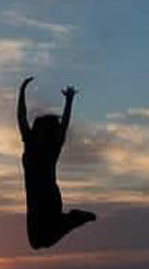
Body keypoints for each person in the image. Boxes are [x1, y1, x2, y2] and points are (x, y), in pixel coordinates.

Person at [17, 76, 96, 249]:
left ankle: (74, 218)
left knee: (40, 241)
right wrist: (21, 92)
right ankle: (72, 219)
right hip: (33, 202)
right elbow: (22, 119)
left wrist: (69, 101)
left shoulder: (51, 149)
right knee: (36, 243)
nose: (40, 132)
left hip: (48, 200)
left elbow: (64, 126)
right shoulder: (29, 144)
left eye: (45, 130)